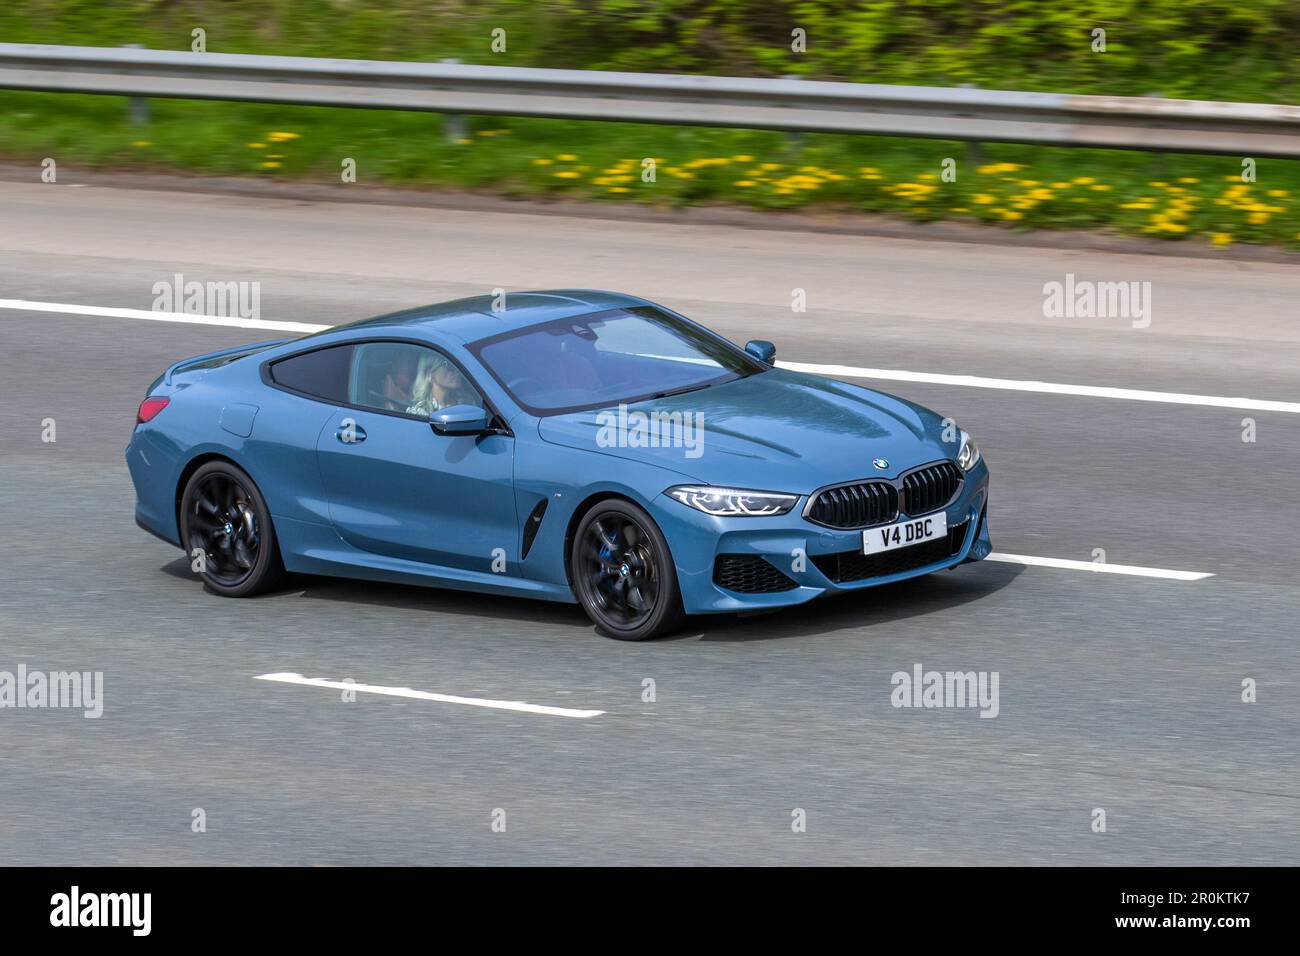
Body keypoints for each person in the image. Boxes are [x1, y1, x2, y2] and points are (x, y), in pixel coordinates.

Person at [406, 352, 480, 417]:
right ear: (429, 374)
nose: (457, 372)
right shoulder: (419, 412)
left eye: (456, 366)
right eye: (447, 366)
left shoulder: (466, 400)